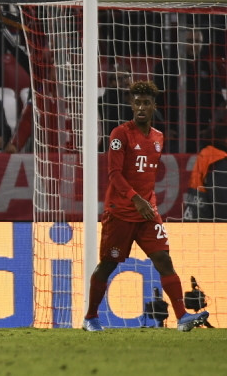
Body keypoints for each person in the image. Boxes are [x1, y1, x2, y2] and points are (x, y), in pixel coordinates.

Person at [82, 80, 210, 333]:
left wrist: (146, 201)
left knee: (163, 258)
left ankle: (182, 316)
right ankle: (90, 317)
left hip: (148, 212)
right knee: (108, 264)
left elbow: (146, 176)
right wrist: (135, 199)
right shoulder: (119, 134)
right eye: (137, 102)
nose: (141, 107)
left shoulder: (159, 138)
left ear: (154, 106)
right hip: (120, 212)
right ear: (131, 104)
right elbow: (114, 174)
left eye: (146, 103)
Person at [152, 29, 226, 154]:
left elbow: (218, 101)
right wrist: (164, 128)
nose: (193, 45)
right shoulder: (165, 66)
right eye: (189, 41)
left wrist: (210, 128)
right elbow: (154, 101)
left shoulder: (208, 67)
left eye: (197, 41)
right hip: (174, 134)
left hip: (201, 134)